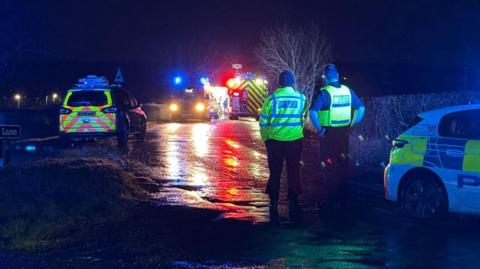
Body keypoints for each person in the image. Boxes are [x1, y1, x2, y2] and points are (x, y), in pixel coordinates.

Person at [309, 63, 365, 210]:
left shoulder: (324, 92)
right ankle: (343, 200)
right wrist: (352, 124)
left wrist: (320, 130)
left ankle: (330, 201)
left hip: (329, 135)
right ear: (338, 76)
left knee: (329, 167)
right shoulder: (348, 91)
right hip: (344, 134)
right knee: (343, 166)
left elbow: (313, 113)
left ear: (325, 77)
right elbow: (361, 108)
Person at [259, 70, 307, 223]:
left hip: (275, 141)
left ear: (279, 83)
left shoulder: (271, 99)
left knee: (275, 172)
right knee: (294, 171)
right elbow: (303, 119)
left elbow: (263, 122)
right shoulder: (301, 98)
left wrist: (266, 138)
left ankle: (273, 202)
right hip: (295, 140)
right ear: (292, 82)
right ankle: (293, 201)